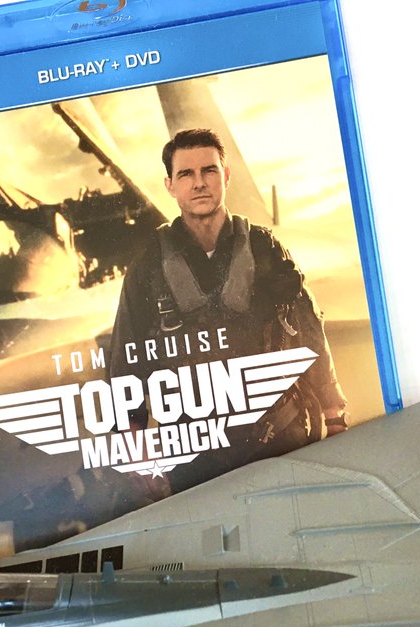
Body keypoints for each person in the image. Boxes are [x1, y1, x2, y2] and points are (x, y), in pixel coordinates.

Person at [107, 128, 348, 487]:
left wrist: (334, 414)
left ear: (226, 175)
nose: (199, 183)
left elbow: (309, 330)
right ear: (170, 185)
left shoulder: (265, 249)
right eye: (185, 174)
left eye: (209, 170)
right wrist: (135, 445)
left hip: (280, 438)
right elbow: (126, 357)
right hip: (195, 454)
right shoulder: (148, 266)